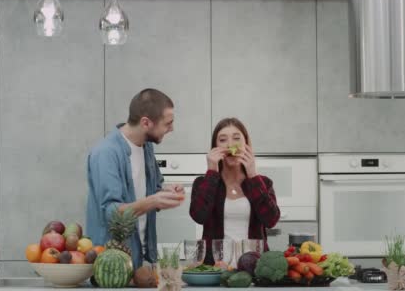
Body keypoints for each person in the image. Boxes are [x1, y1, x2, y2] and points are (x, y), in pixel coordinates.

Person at [86, 88, 184, 269]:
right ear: (146, 123)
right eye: (167, 123)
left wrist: (165, 192)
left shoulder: (146, 147)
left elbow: (150, 190)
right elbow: (111, 213)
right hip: (111, 265)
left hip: (139, 260)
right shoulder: (106, 153)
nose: (172, 128)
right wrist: (153, 200)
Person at [190, 117, 280, 265]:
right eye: (223, 140)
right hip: (215, 269)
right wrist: (212, 171)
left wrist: (252, 174)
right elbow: (199, 216)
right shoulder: (203, 183)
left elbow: (271, 220)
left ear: (246, 144)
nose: (230, 145)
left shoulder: (263, 182)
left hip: (255, 268)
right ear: (215, 148)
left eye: (236, 138)